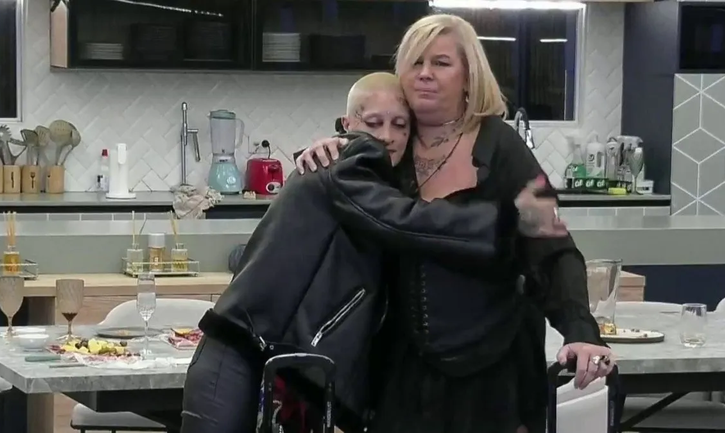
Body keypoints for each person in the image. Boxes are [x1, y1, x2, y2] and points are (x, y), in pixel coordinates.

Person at [182, 72, 565, 433]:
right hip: (238, 353)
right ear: (347, 125)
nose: (387, 136)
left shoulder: (370, 177)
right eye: (374, 123)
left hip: (275, 363)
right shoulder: (345, 166)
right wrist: (505, 223)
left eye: (400, 125)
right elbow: (405, 221)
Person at [294, 14, 614, 433]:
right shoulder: (386, 143)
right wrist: (328, 150)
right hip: (398, 371)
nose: (425, 73)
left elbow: (550, 245)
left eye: (441, 63)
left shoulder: (502, 146)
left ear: (468, 76)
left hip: (494, 370)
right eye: (416, 62)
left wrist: (580, 329)